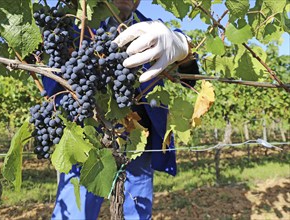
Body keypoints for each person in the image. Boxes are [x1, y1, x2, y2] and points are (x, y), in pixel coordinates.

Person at [46, 0, 199, 219]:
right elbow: (51, 75)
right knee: (75, 213)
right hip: (85, 140)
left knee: (137, 212)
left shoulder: (152, 28)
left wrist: (182, 45)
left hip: (137, 141)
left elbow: (187, 75)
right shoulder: (74, 25)